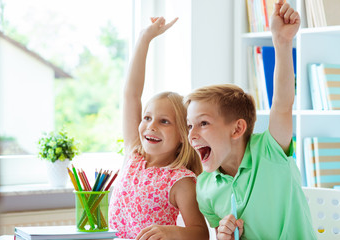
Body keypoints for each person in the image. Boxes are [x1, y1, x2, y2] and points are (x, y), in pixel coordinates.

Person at [185, 1, 317, 239]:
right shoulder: (204, 188)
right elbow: (223, 234)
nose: (192, 134)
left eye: (203, 123)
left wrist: (282, 41)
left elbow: (282, 104)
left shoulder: (270, 150)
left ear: (237, 128)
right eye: (189, 125)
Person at [108, 17, 209, 240]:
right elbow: (131, 94)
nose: (151, 126)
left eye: (164, 121)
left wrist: (173, 232)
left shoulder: (181, 179)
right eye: (147, 117)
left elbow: (201, 234)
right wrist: (145, 39)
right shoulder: (133, 154)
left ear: (183, 135)